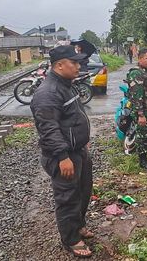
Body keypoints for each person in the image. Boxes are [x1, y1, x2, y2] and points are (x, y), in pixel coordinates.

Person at [30, 45, 94, 258]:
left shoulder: (67, 84)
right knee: (68, 197)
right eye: (73, 62)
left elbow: (74, 117)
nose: (78, 66)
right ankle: (71, 239)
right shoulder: (47, 93)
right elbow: (48, 129)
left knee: (83, 191)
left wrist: (82, 141)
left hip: (77, 151)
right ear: (59, 65)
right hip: (64, 156)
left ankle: (79, 225)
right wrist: (63, 157)